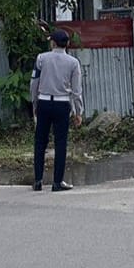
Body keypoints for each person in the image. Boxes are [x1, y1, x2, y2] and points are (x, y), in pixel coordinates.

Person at [30, 28, 84, 192]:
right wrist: (78, 112)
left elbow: (34, 83)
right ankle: (57, 182)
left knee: (40, 142)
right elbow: (77, 90)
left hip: (44, 102)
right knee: (61, 143)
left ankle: (38, 180)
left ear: (52, 42)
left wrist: (35, 104)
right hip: (62, 105)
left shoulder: (41, 58)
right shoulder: (73, 63)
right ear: (67, 44)